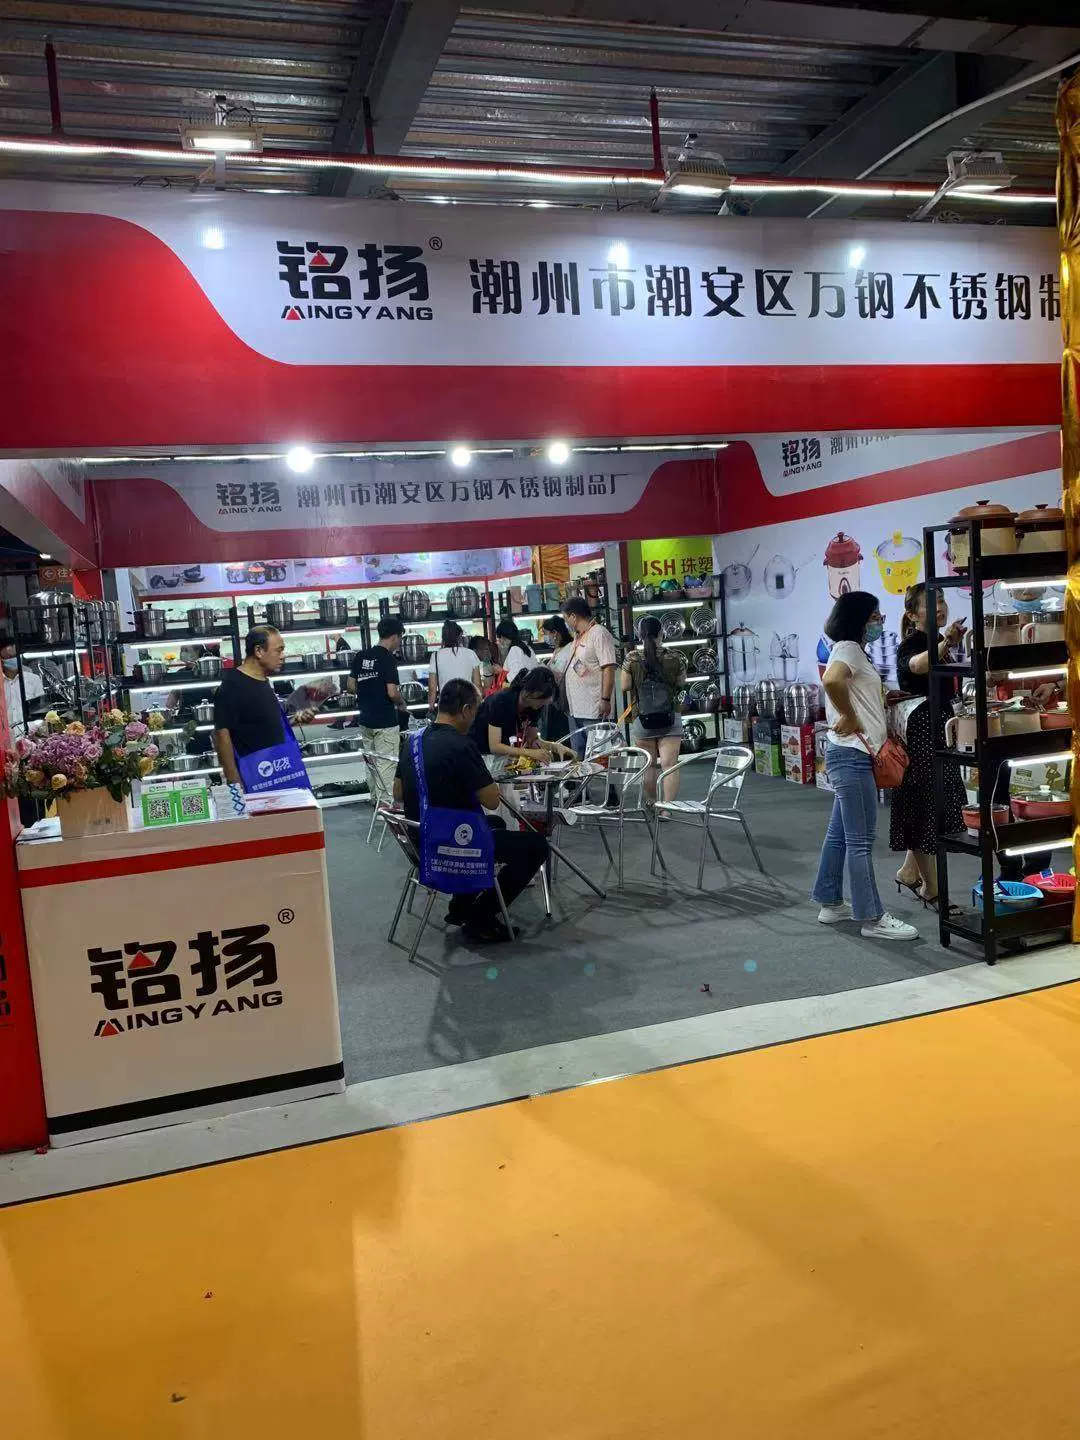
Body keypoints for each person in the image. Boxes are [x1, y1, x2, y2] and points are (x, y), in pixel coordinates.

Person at [394, 678, 549, 944]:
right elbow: (491, 799)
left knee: (496, 823)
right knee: (536, 846)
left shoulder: (412, 742)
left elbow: (397, 792)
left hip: (420, 842)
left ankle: (461, 905)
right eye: (475, 711)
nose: (475, 718)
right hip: (452, 845)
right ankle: (481, 915)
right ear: (466, 710)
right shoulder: (462, 746)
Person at [810, 591, 918, 942]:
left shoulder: (853, 651)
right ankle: (872, 917)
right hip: (853, 755)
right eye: (874, 616)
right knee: (860, 841)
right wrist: (850, 715)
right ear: (858, 619)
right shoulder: (849, 649)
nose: (880, 621)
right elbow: (832, 680)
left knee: (840, 835)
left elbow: (848, 686)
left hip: (848, 753)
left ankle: (830, 901)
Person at [891, 584, 968, 908]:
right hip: (922, 730)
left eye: (942, 600)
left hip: (940, 727)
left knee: (934, 802)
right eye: (931, 603)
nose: (940, 607)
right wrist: (946, 642)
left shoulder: (939, 642)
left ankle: (910, 872)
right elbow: (917, 666)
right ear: (912, 615)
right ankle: (931, 889)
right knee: (925, 803)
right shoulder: (913, 644)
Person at [213, 626, 315, 787]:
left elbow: (261, 725)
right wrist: (234, 780)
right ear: (259, 651)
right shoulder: (233, 685)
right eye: (278, 650)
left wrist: (294, 720)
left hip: (278, 769)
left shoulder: (263, 680)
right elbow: (221, 735)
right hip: (257, 775)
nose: (282, 656)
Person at [621, 616, 687, 806]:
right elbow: (681, 683)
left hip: (642, 718)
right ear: (661, 633)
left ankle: (652, 801)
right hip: (670, 716)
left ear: (640, 635)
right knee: (670, 765)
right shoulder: (675, 657)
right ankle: (666, 807)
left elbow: (625, 686)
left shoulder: (632, 658)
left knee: (649, 765)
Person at [349, 616, 407, 797]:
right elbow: (392, 692)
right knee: (387, 765)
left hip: (366, 720)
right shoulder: (388, 659)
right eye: (400, 638)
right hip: (385, 722)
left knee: (372, 764)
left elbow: (350, 686)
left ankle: (375, 800)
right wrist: (402, 703)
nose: (399, 643)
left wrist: (368, 690)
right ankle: (386, 807)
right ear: (395, 636)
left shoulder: (361, 656)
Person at [470, 666, 573, 766]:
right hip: (480, 755)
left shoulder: (534, 706)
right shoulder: (500, 701)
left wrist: (555, 747)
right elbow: (495, 746)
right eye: (542, 699)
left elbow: (532, 740)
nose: (544, 703)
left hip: (501, 758)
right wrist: (529, 753)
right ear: (532, 693)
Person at [561, 596, 617, 758]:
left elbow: (608, 667)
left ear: (573, 616)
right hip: (576, 709)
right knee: (580, 756)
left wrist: (605, 699)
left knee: (600, 756)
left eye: (565, 618)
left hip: (594, 709)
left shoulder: (598, 633)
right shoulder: (578, 636)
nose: (566, 623)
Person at [427, 620, 482, 711]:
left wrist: (431, 707)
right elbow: (477, 684)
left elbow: (432, 688)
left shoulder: (436, 656)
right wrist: (478, 706)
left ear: (443, 637)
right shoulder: (470, 654)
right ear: (459, 636)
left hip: (446, 706)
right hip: (467, 705)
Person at [1, 633, 43, 741]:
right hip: (6, 738)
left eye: (15, 656)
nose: (12, 660)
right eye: (8, 657)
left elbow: (41, 710)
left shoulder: (33, 680)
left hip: (31, 736)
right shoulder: (1, 684)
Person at [539, 614, 573, 741]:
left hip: (562, 702)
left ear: (555, 633)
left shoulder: (569, 649)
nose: (545, 637)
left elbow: (564, 673)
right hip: (553, 701)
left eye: (546, 633)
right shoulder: (558, 650)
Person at [495, 619, 534, 688]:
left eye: (500, 638)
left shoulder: (514, 649)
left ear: (504, 636)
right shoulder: (526, 646)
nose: (501, 641)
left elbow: (514, 677)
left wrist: (501, 671)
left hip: (520, 690)